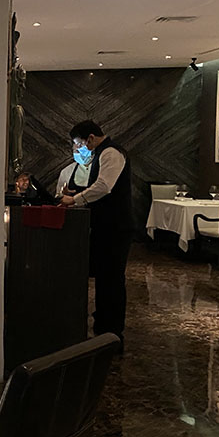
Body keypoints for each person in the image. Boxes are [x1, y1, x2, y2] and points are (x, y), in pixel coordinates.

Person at [59, 120, 132, 349]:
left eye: (79, 143)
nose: (80, 149)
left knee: (111, 280)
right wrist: (76, 192)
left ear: (90, 138)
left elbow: (104, 187)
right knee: (103, 278)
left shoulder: (111, 153)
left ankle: (113, 334)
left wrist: (75, 199)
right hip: (104, 227)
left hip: (115, 228)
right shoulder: (101, 154)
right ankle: (103, 328)